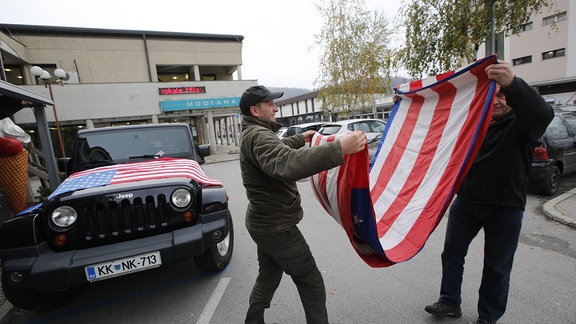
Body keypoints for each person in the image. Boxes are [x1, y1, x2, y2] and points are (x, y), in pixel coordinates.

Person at [424, 61, 554, 324]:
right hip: (467, 203)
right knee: (451, 254)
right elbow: (436, 118)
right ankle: (449, 302)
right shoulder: (474, 122)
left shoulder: (523, 124)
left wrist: (513, 83)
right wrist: (405, 104)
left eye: (502, 95)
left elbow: (543, 114)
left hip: (505, 208)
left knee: (496, 267)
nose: (496, 101)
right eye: (492, 95)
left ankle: (488, 317)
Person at [238, 85, 367, 324]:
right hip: (277, 227)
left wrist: (300, 138)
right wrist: (339, 149)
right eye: (270, 105)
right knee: (311, 281)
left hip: (264, 223)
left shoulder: (253, 132)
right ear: (255, 110)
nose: (276, 108)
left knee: (268, 276)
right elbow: (285, 162)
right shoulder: (258, 135)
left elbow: (275, 151)